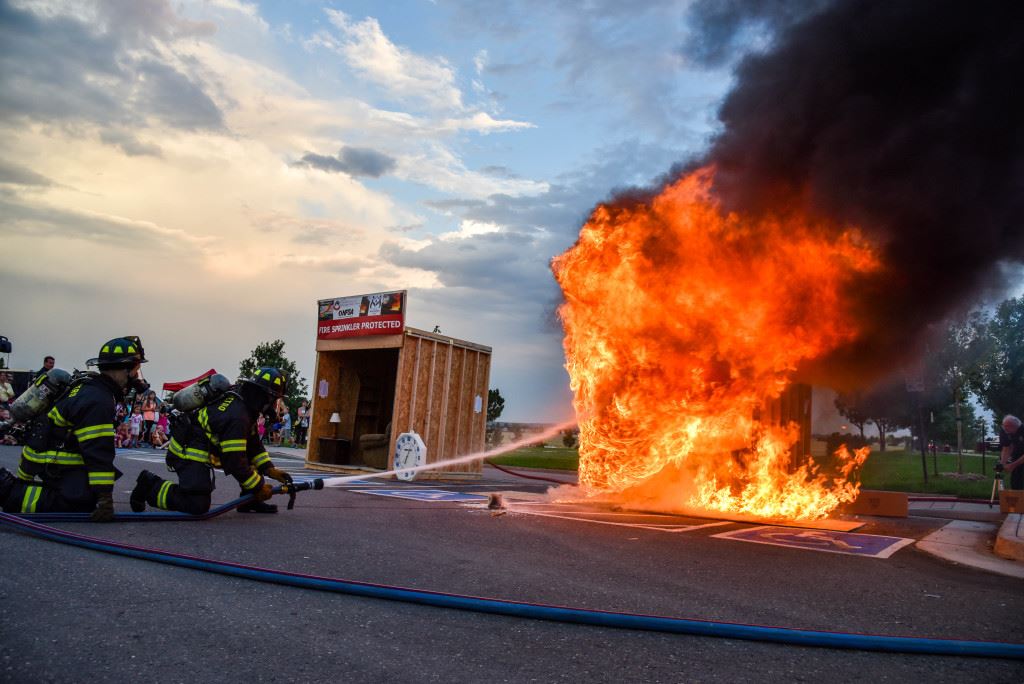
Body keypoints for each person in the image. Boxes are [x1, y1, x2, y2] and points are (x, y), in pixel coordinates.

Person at [0, 337, 149, 520]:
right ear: (125, 369)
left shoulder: (89, 387)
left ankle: (16, 488)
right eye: (136, 369)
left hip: (39, 455)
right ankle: (8, 492)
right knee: (79, 502)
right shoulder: (99, 400)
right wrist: (104, 499)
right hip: (51, 460)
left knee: (84, 494)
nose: (137, 377)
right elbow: (98, 453)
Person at [129, 367, 293, 515]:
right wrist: (258, 487)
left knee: (247, 458)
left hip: (198, 443)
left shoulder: (243, 402)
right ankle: (149, 486)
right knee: (196, 504)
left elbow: (253, 443)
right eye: (275, 400)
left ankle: (249, 501)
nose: (275, 405)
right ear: (266, 396)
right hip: (188, 451)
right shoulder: (238, 416)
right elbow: (235, 461)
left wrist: (269, 469)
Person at [999, 414, 1024, 490]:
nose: (1005, 429)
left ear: (1014, 426)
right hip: (1016, 459)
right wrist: (1002, 464)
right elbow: (1006, 448)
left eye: (1007, 427)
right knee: (1016, 484)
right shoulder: (1005, 431)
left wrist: (1013, 465)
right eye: (1004, 426)